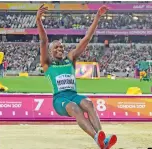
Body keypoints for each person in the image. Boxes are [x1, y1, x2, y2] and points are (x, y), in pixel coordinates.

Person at [36, 4, 117, 149]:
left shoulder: (70, 58)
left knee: (89, 104)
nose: (60, 49)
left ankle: (102, 137)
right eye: (56, 47)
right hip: (60, 99)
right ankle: (96, 138)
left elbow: (86, 39)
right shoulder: (47, 63)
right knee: (75, 108)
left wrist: (97, 16)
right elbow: (43, 41)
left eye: (61, 47)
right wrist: (38, 20)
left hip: (74, 95)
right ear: (50, 51)